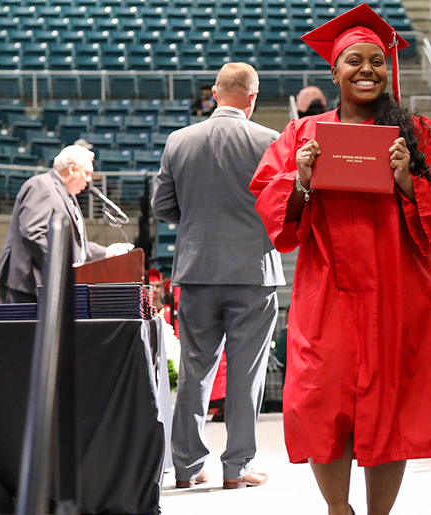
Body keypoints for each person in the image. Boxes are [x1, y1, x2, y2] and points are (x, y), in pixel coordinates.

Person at [249, 8, 431, 513]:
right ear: (334, 71)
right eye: (354, 60)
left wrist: (406, 180)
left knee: (388, 404)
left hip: (396, 288)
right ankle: (337, 508)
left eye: (376, 59)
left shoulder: (414, 131)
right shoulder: (302, 134)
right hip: (326, 288)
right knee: (320, 398)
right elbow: (269, 199)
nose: (366, 68)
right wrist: (301, 179)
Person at [153, 63, 285, 490]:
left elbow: (162, 209)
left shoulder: (179, 140)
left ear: (213, 93)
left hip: (196, 270)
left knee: (195, 371)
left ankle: (189, 468)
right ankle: (237, 468)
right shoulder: (269, 141)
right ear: (253, 96)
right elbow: (283, 206)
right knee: (247, 373)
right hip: (253, 272)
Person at [0, 145, 130, 303]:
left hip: (42, 286)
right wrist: (63, 265)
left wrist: (106, 253)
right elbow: (33, 233)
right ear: (71, 170)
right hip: (26, 286)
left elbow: (72, 245)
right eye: (86, 173)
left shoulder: (67, 195)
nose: (89, 179)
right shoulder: (41, 186)